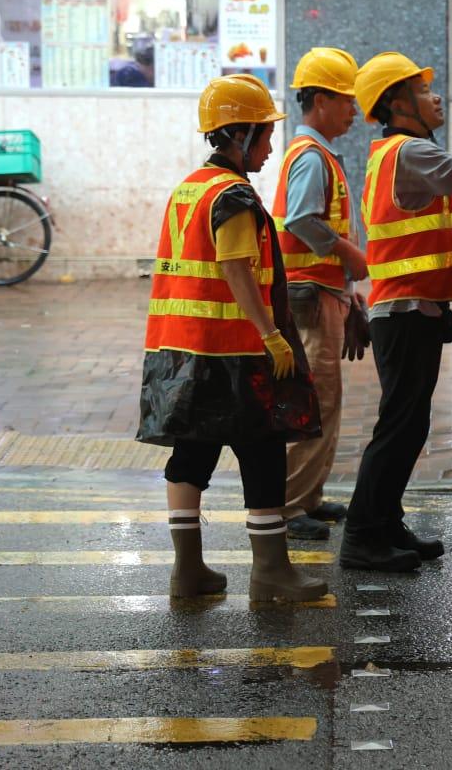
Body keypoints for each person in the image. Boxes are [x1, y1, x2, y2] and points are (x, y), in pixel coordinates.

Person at [138, 73, 327, 603]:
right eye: (265, 135)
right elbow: (236, 267)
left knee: (190, 456)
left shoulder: (190, 187)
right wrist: (273, 335)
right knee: (263, 452)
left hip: (180, 351)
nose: (270, 146)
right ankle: (271, 572)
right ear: (240, 135)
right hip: (234, 352)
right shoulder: (234, 195)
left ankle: (188, 571)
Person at [338, 51, 452, 572]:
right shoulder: (408, 151)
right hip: (404, 311)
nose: (435, 97)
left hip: (412, 312)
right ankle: (362, 536)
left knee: (409, 425)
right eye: (422, 89)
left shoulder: (402, 154)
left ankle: (386, 523)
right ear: (396, 103)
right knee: (399, 426)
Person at [271, 47, 370, 540]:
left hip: (323, 293)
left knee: (324, 399)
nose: (354, 110)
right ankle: (290, 507)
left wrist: (348, 291)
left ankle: (307, 496)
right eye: (347, 100)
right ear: (321, 101)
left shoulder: (319, 154)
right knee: (314, 399)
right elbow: (302, 221)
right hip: (309, 298)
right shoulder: (311, 157)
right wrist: (349, 254)